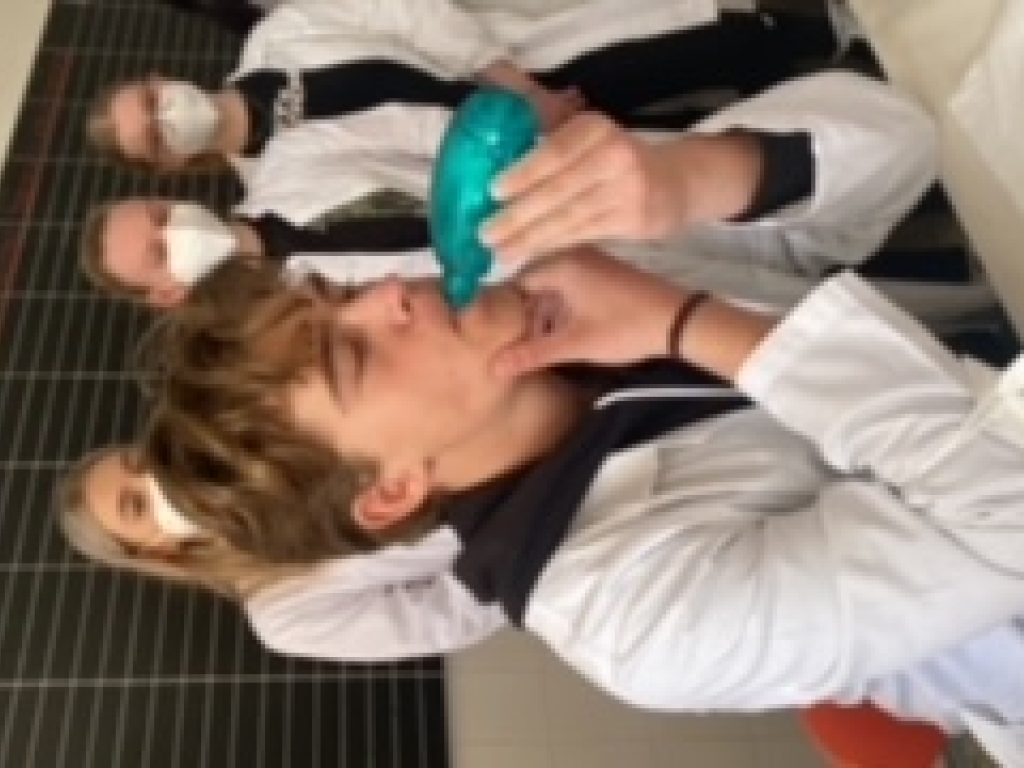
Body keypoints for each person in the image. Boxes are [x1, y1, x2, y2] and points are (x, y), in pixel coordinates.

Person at [61, 246, 1024, 765]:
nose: (391, 293)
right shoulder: (637, 621)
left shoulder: (576, 317)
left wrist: (680, 206)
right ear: (394, 489)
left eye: (341, 294)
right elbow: (1007, 520)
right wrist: (687, 322)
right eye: (352, 354)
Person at [80, 74, 992, 321]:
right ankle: (976, 295)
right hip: (602, 291)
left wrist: (516, 132)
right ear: (166, 291)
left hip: (587, 186)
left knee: (816, 172)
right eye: (157, 251)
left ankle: (959, 204)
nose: (176, 232)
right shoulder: (301, 315)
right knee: (855, 306)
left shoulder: (293, 159)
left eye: (158, 219)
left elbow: (427, 132)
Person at [85, 0, 843, 176]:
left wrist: (522, 90)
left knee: (697, 52)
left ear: (163, 79)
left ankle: (827, 45)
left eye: (151, 101)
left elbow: (408, 14)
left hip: (523, 70)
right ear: (169, 163)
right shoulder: (277, 184)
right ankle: (840, 127)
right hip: (525, 160)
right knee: (706, 151)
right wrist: (520, 140)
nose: (168, 115)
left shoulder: (279, 36)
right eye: (154, 134)